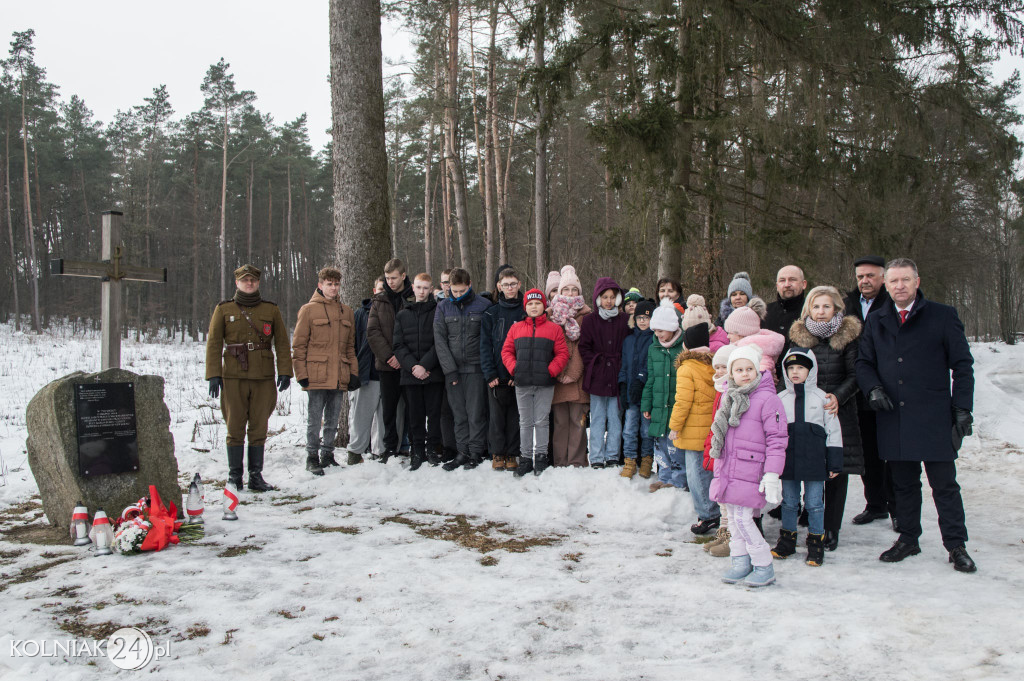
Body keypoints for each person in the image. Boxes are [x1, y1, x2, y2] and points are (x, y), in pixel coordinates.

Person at [855, 258, 977, 573]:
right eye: (894, 281)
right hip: (893, 415)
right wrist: (873, 389)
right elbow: (864, 363)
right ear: (886, 284)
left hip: (934, 415)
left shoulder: (942, 315)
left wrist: (962, 408)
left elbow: (963, 365)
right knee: (904, 484)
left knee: (945, 485)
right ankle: (908, 538)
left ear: (917, 282)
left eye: (905, 280)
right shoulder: (877, 319)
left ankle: (956, 545)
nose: (900, 286)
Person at [788, 285, 863, 551]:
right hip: (807, 412)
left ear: (836, 309)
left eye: (826, 306)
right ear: (808, 309)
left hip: (836, 410)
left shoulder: (847, 337)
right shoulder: (799, 337)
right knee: (810, 465)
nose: (821, 312)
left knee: (836, 471)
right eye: (816, 306)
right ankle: (811, 517)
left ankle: (831, 527)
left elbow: (856, 374)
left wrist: (838, 397)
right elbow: (789, 371)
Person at [205, 264, 292, 492]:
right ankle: (235, 476)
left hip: (263, 377)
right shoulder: (224, 309)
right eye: (245, 280)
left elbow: (282, 343)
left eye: (253, 280)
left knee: (258, 427)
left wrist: (285, 371)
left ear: (258, 282)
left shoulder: (271, 310)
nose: (249, 283)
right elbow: (214, 343)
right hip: (233, 377)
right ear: (237, 283)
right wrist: (214, 374)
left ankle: (255, 476)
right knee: (234, 426)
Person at [708, 345, 787, 587]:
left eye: (749, 369)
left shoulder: (768, 399)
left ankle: (763, 565)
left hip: (751, 471)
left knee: (744, 519)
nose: (745, 374)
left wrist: (772, 474)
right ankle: (741, 562)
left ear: (757, 370)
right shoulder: (729, 397)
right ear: (731, 373)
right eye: (739, 370)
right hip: (730, 470)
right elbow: (723, 437)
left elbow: (777, 439)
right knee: (733, 519)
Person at [772, 349, 843, 567]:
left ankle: (815, 543)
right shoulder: (779, 399)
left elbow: (833, 431)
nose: (795, 372)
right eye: (791, 368)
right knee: (789, 502)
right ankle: (787, 541)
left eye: (801, 368)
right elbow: (772, 432)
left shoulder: (823, 398)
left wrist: (834, 461)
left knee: (814, 503)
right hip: (789, 461)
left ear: (811, 370)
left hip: (814, 462)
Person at [291, 266, 360, 477]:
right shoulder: (308, 310)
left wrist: (353, 373)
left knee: (332, 420)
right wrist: (301, 374)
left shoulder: (346, 312)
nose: (333, 288)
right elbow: (299, 345)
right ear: (320, 285)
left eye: (336, 284)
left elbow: (350, 347)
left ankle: (327, 455)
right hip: (316, 374)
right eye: (329, 284)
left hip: (339, 374)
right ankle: (312, 457)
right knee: (314, 420)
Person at [844, 255, 896, 527]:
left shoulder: (893, 302)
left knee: (894, 453)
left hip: (890, 387)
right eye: (860, 276)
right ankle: (876, 504)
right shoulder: (848, 304)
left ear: (883, 278)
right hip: (859, 389)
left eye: (870, 276)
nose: (864, 281)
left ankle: (898, 509)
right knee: (868, 452)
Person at [502, 288, 570, 477]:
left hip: (544, 384)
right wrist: (515, 368)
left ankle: (541, 457)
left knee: (541, 421)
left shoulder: (554, 329)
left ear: (544, 306)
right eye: (530, 303)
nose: (534, 307)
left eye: (538, 303)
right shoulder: (516, 328)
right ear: (525, 306)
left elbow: (562, 353)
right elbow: (506, 351)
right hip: (522, 383)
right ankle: (525, 458)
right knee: (525, 422)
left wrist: (551, 370)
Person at [434, 267, 492, 470]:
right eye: (454, 291)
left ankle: (476, 451)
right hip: (453, 370)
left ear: (469, 285)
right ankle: (462, 451)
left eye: (461, 290)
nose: (458, 294)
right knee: (459, 414)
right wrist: (450, 370)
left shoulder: (483, 305)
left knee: (476, 413)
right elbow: (440, 340)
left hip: (476, 369)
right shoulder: (443, 307)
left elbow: (488, 339)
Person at [668, 322, 720, 535]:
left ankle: (707, 515)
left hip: (692, 429)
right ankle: (713, 510)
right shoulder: (713, 365)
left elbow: (683, 401)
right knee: (707, 472)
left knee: (696, 474)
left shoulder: (686, 367)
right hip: (709, 428)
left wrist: (674, 426)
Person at [392, 273, 444, 470]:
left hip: (433, 373)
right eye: (419, 287)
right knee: (415, 415)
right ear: (413, 288)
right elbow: (398, 345)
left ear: (431, 289)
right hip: (410, 374)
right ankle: (417, 450)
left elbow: (440, 342)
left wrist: (426, 366)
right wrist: (414, 367)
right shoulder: (403, 314)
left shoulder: (438, 312)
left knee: (434, 414)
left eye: (425, 288)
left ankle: (432, 449)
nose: (422, 291)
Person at [367, 259, 414, 463]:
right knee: (389, 410)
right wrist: (389, 356)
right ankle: (389, 447)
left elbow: (419, 332)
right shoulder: (379, 300)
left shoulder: (414, 297)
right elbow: (373, 332)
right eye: (387, 278)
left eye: (394, 278)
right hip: (386, 365)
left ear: (403, 276)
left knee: (413, 408)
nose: (390, 282)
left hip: (410, 365)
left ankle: (415, 446)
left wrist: (404, 358)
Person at [580, 277, 630, 468]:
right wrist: (596, 364)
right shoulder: (590, 320)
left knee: (615, 418)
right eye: (605, 297)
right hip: (598, 377)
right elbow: (584, 348)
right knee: (598, 418)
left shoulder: (625, 320)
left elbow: (628, 346)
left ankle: (612, 455)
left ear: (618, 299)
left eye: (612, 297)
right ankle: (596, 456)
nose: (609, 301)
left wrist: (621, 365)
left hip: (618, 374)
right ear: (598, 298)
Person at [481, 267, 526, 471]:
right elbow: (485, 346)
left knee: (515, 417)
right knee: (496, 417)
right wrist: (490, 373)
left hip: (517, 374)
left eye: (513, 284)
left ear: (519, 284)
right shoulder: (491, 313)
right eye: (506, 285)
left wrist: (519, 373)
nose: (510, 288)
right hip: (496, 375)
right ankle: (497, 452)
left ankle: (512, 453)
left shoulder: (525, 312)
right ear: (499, 286)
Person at [642, 298, 687, 492]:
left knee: (675, 445)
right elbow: (651, 378)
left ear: (671, 328)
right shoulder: (653, 349)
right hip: (659, 405)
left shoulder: (683, 348)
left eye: (661, 330)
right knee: (660, 444)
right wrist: (647, 404)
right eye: (655, 330)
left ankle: (678, 480)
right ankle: (664, 476)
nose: (657, 334)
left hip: (676, 405)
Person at [549, 265, 592, 467]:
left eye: (574, 289)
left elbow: (584, 347)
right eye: (566, 289)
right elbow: (550, 345)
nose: (570, 293)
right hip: (557, 375)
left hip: (578, 378)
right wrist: (557, 371)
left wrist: (574, 373)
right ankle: (560, 461)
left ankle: (576, 461)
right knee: (560, 422)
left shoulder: (586, 315)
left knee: (578, 421)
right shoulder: (551, 314)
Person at [702, 345, 736, 558]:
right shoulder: (720, 389)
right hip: (719, 446)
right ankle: (723, 532)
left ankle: (733, 537)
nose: (720, 371)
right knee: (722, 496)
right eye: (717, 367)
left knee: (731, 498)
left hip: (730, 449)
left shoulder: (732, 391)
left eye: (724, 367)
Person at [348, 277, 386, 464]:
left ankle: (381, 452)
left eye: (385, 290)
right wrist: (353, 369)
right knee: (360, 417)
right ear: (374, 291)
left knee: (384, 418)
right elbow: (352, 344)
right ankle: (355, 452)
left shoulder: (394, 311)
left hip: (387, 373)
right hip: (366, 373)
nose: (382, 293)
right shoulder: (360, 313)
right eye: (380, 289)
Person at [619, 300, 655, 479]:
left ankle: (647, 459)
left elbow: (651, 365)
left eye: (646, 318)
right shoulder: (628, 340)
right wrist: (623, 384)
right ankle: (630, 459)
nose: (642, 321)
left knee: (646, 431)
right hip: (630, 394)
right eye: (639, 318)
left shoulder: (654, 339)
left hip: (646, 393)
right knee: (629, 429)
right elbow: (624, 365)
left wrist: (641, 379)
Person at [764, 265, 808, 378]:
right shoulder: (764, 312)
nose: (787, 284)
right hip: (768, 381)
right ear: (777, 286)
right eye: (782, 280)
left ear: (804, 284)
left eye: (792, 279)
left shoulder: (812, 312)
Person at [724, 305, 785, 382]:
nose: (728, 336)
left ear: (742, 333)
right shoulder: (741, 349)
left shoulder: (760, 354)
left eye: (730, 333)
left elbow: (760, 379)